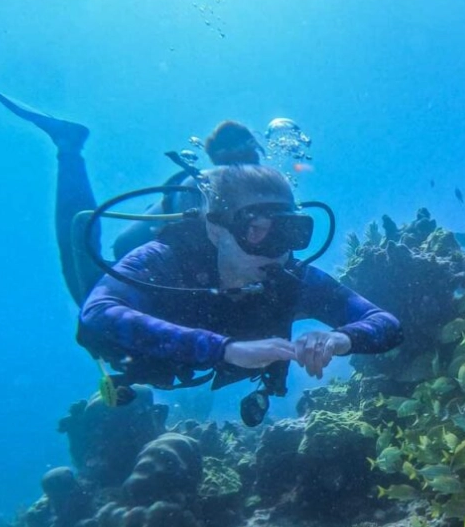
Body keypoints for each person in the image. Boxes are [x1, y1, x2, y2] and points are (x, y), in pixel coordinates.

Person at [76, 163, 403, 424]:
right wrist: (224, 349)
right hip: (131, 334)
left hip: (189, 347)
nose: (278, 252)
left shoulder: (291, 277)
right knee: (80, 270)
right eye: (256, 231)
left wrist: (341, 339)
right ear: (216, 229)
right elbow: (97, 312)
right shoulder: (167, 257)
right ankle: (70, 153)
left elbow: (385, 323)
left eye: (290, 232)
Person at [0, 86, 264, 304]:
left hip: (171, 279)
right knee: (88, 289)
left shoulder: (250, 202)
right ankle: (69, 148)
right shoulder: (201, 191)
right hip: (146, 272)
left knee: (84, 267)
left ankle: (69, 148)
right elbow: (138, 250)